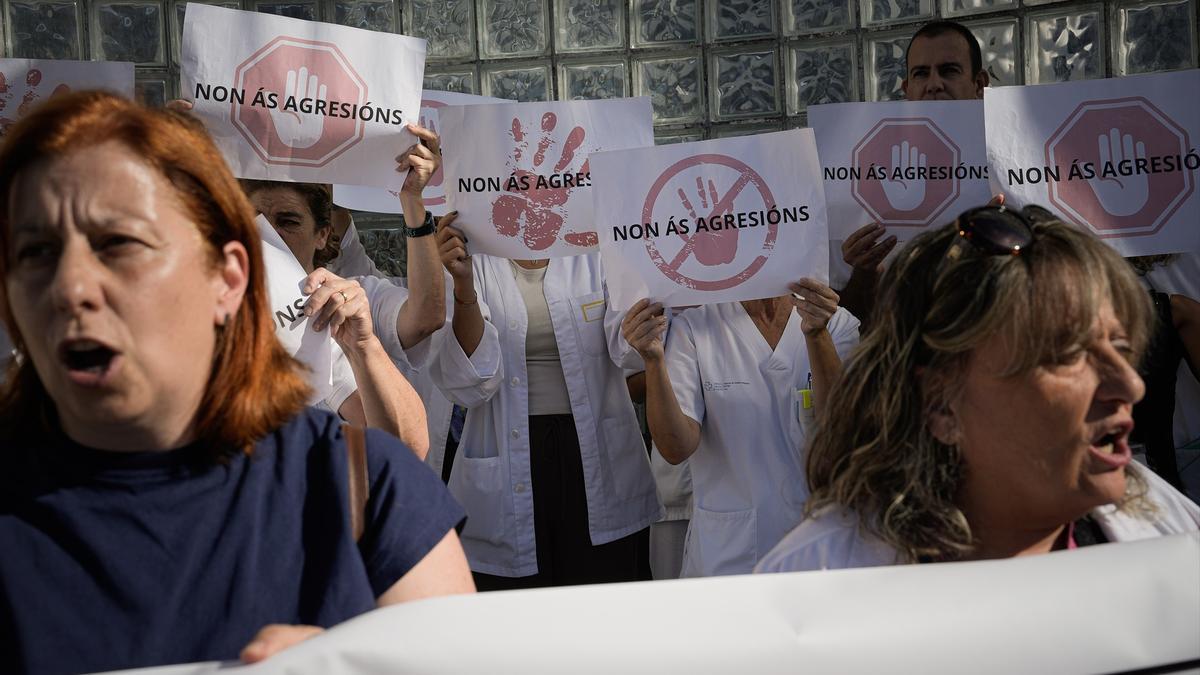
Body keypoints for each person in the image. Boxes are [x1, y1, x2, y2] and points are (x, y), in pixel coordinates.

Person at [0, 91, 474, 674]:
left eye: (118, 244)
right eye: (35, 251)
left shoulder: (363, 490)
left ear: (228, 279)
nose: (70, 287)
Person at [756, 207, 1200, 573]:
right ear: (941, 405)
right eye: (1069, 356)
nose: (1130, 384)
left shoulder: (1170, 528)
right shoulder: (817, 583)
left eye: (1121, 348)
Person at [428, 215, 661, 588]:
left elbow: (629, 354)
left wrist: (652, 287)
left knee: (601, 604)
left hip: (592, 455)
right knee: (518, 614)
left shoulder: (596, 245)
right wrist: (463, 284)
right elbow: (472, 380)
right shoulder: (468, 251)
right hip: (509, 452)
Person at [624, 281, 859, 577]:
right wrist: (653, 360)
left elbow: (843, 432)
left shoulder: (836, 324)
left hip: (819, 547)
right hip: (727, 553)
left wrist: (817, 334)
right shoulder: (697, 327)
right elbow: (675, 448)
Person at [243, 176, 442, 457]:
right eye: (255, 220)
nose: (270, 235)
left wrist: (361, 345)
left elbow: (408, 446)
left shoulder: (339, 307)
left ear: (322, 235)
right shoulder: (210, 309)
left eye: (288, 223)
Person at [836, 20, 993, 323]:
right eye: (921, 73)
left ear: (979, 84)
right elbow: (846, 324)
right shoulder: (857, 177)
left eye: (949, 70)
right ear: (907, 89)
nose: (934, 83)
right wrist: (863, 272)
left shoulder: (1015, 168)